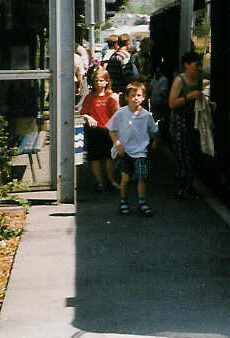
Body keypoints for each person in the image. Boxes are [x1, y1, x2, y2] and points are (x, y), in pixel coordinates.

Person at [108, 81, 159, 217]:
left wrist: (155, 141)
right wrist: (117, 143)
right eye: (132, 95)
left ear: (143, 97)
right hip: (125, 151)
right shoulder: (121, 113)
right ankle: (123, 200)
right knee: (125, 178)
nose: (135, 98)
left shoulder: (147, 115)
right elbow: (111, 129)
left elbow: (153, 130)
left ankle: (142, 202)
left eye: (138, 95)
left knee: (142, 177)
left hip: (141, 151)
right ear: (127, 97)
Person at [168, 51, 204, 199]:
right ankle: (182, 188)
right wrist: (188, 97)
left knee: (193, 155)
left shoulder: (199, 79)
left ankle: (189, 187)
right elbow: (171, 103)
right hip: (180, 122)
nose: (199, 67)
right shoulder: (179, 80)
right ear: (187, 65)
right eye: (196, 65)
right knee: (182, 156)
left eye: (200, 65)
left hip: (194, 121)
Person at [78, 69, 120, 192]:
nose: (98, 83)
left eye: (101, 81)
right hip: (94, 131)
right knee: (95, 158)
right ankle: (100, 182)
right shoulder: (90, 97)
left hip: (108, 131)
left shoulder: (111, 96)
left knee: (109, 157)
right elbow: (83, 113)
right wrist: (88, 117)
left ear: (107, 82)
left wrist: (116, 100)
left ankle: (111, 180)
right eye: (96, 81)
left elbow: (118, 114)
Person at [107, 33, 135, 104]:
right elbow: (128, 75)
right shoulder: (125, 56)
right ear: (128, 43)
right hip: (122, 92)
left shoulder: (113, 56)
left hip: (113, 91)